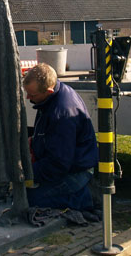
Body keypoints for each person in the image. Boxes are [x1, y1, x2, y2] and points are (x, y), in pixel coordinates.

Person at [23, 63, 98, 211]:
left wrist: (27, 172)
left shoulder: (62, 114)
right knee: (23, 193)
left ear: (49, 91)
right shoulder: (53, 96)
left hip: (76, 171)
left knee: (29, 199)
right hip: (66, 164)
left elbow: (59, 164)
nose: (28, 97)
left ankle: (85, 197)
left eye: (32, 95)